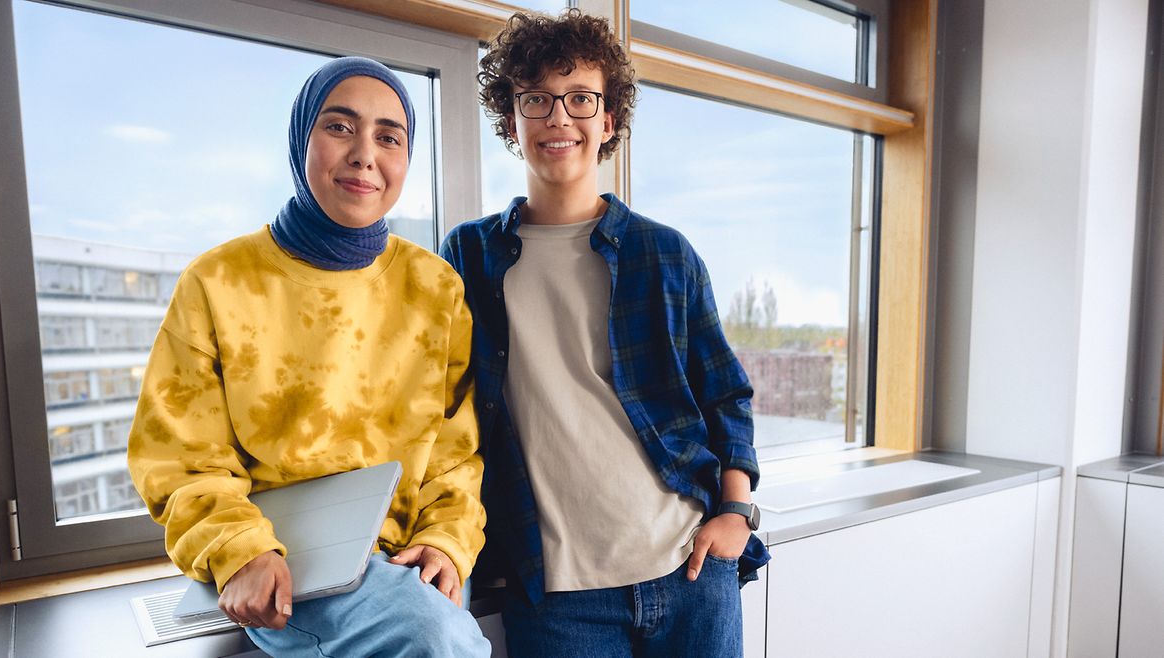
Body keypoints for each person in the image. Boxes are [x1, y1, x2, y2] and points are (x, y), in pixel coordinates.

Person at [128, 56, 489, 657]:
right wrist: (240, 549)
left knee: (435, 625)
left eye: (389, 137)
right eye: (340, 126)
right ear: (301, 140)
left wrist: (447, 540)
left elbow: (458, 451)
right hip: (290, 568)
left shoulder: (436, 287)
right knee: (436, 638)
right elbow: (181, 458)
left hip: (413, 557)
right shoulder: (218, 281)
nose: (364, 154)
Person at [439, 9, 770, 657]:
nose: (559, 118)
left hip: (690, 569)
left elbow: (725, 395)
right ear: (513, 121)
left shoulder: (663, 253)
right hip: (556, 594)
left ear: (608, 120)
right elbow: (439, 408)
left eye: (581, 99)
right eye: (536, 99)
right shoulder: (470, 256)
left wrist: (735, 512)